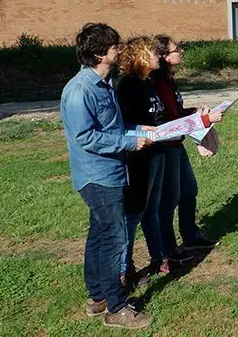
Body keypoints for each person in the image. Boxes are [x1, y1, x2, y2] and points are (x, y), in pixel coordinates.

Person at [60, 23, 153, 330]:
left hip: (112, 171)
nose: (119, 49)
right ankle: (116, 307)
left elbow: (111, 129)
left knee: (99, 236)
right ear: (100, 53)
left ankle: (97, 296)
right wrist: (129, 141)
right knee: (114, 239)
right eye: (114, 46)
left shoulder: (104, 84)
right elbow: (86, 137)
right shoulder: (79, 91)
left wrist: (140, 130)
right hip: (97, 177)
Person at [153, 35, 223, 256]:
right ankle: (169, 249)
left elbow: (176, 113)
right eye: (177, 49)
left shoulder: (168, 80)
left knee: (189, 190)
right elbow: (167, 122)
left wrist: (194, 112)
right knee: (169, 199)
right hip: (166, 147)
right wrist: (204, 121)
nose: (181, 52)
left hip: (177, 145)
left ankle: (191, 236)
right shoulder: (158, 83)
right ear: (164, 56)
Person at [116, 36, 170, 278]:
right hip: (139, 158)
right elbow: (121, 125)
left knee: (152, 210)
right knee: (134, 212)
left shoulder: (148, 83)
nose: (159, 56)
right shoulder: (128, 87)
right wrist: (140, 130)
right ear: (140, 57)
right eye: (153, 53)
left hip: (157, 153)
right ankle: (124, 270)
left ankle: (158, 257)